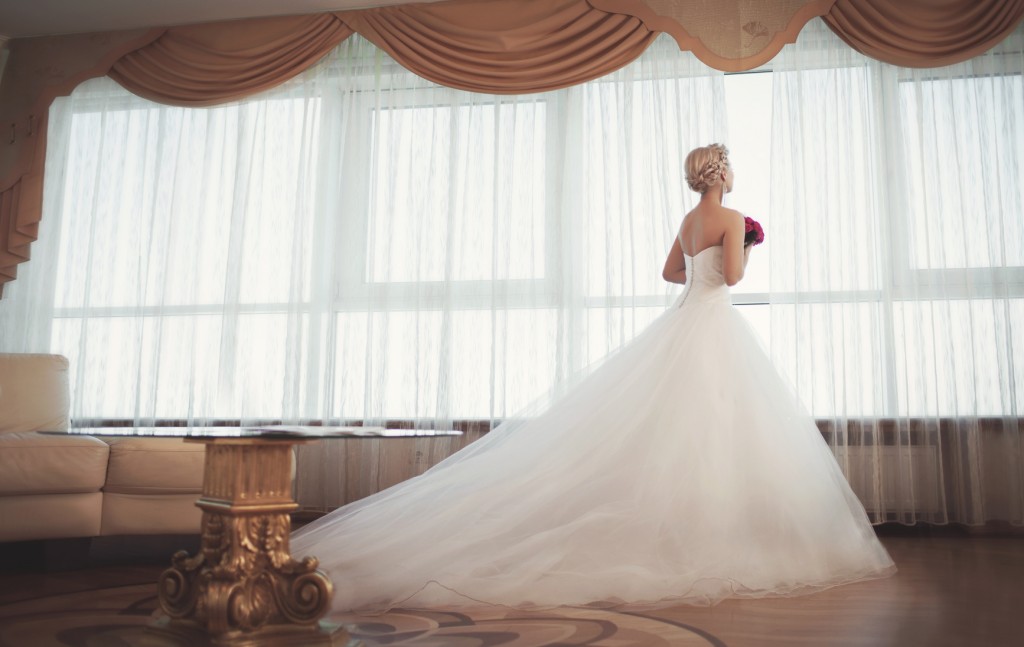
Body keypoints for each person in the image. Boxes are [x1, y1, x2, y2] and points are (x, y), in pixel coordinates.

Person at [292, 143, 896, 613]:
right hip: (713, 325)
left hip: (685, 318)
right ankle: (709, 537)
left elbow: (669, 272)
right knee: (716, 435)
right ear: (720, 174)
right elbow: (734, 278)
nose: (733, 176)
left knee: (674, 433)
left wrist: (705, 262)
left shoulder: (688, 220)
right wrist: (747, 247)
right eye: (730, 167)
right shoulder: (732, 217)